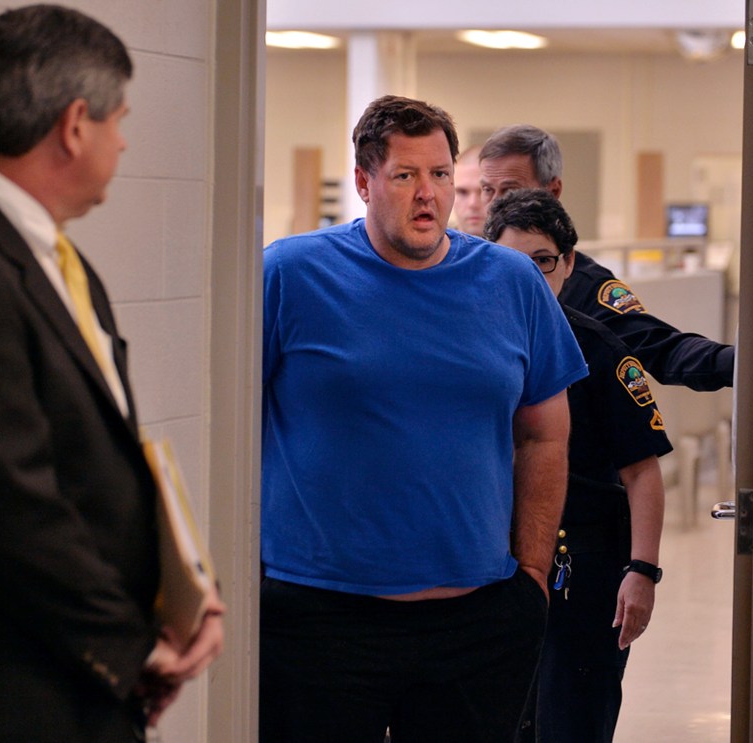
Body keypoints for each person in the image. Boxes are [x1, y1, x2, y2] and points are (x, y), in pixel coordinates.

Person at [0, 6, 223, 742]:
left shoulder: (52, 260)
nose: (124, 142)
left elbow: (98, 464)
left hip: (70, 674)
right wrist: (129, 649)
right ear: (73, 124)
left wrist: (180, 593)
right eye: (119, 119)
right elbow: (7, 505)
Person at [260, 95, 588, 743]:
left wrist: (529, 577)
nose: (426, 195)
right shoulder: (290, 274)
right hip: (317, 618)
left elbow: (545, 433)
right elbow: (227, 426)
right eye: (404, 175)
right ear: (362, 182)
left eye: (440, 175)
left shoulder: (510, 282)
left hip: (477, 622)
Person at [485, 189, 672, 743]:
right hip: (492, 563)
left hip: (583, 566)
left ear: (568, 264)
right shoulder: (471, 343)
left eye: (542, 261)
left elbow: (643, 471)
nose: (529, 278)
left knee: (572, 720)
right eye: (512, 263)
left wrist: (643, 572)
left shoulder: (599, 349)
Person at [475, 124, 735, 391]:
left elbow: (659, 347)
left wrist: (738, 364)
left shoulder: (582, 283)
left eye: (509, 190)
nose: (493, 205)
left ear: (552, 191)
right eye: (486, 190)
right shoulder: (460, 266)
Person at [451, 144, 486, 235]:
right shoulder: (432, 248)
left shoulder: (521, 248)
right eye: (462, 192)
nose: (473, 204)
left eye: (484, 191)